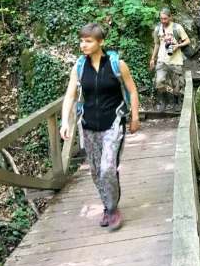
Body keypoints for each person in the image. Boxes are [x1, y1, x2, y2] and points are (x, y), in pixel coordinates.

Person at [60, 23, 140, 231]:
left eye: (88, 41)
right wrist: (64, 122)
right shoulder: (79, 66)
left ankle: (113, 208)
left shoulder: (117, 65)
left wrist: (135, 117)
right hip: (88, 125)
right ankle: (107, 204)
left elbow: (132, 91)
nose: (83, 45)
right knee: (96, 172)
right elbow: (70, 95)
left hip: (113, 123)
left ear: (100, 42)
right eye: (81, 41)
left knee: (107, 169)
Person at [150, 9, 190, 112]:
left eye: (165, 18)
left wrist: (177, 46)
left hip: (175, 60)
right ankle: (164, 99)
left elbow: (187, 40)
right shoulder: (157, 29)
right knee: (159, 81)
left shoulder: (177, 27)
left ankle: (176, 101)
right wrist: (152, 58)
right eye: (161, 18)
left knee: (176, 84)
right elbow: (157, 44)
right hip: (161, 59)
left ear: (170, 17)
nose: (163, 21)